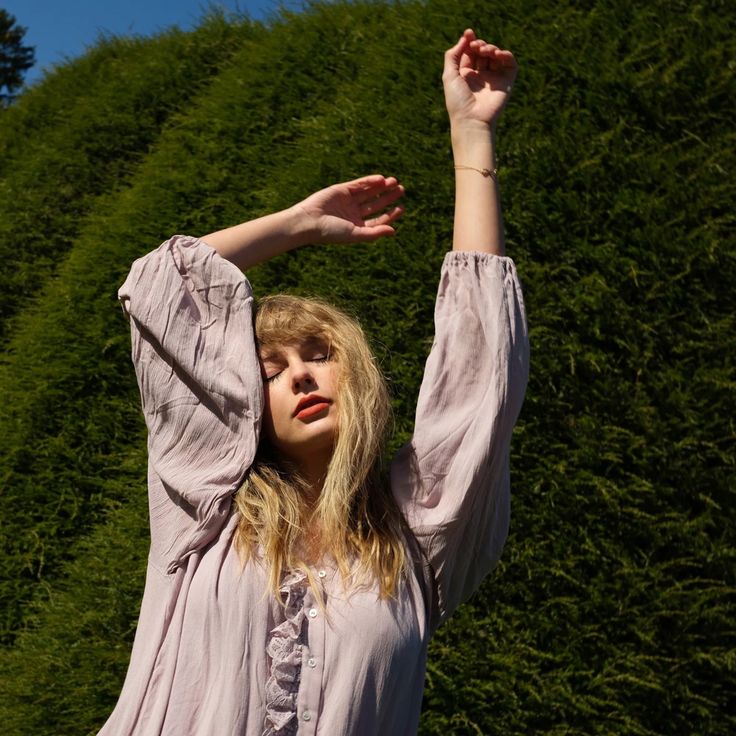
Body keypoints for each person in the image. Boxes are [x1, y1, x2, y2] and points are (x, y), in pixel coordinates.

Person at [99, 29, 528, 736]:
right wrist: (296, 224)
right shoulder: (205, 510)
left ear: (355, 375)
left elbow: (481, 373)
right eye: (271, 369)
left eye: (319, 355)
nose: (299, 375)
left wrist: (471, 136)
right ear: (244, 405)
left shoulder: (415, 537)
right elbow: (159, 290)